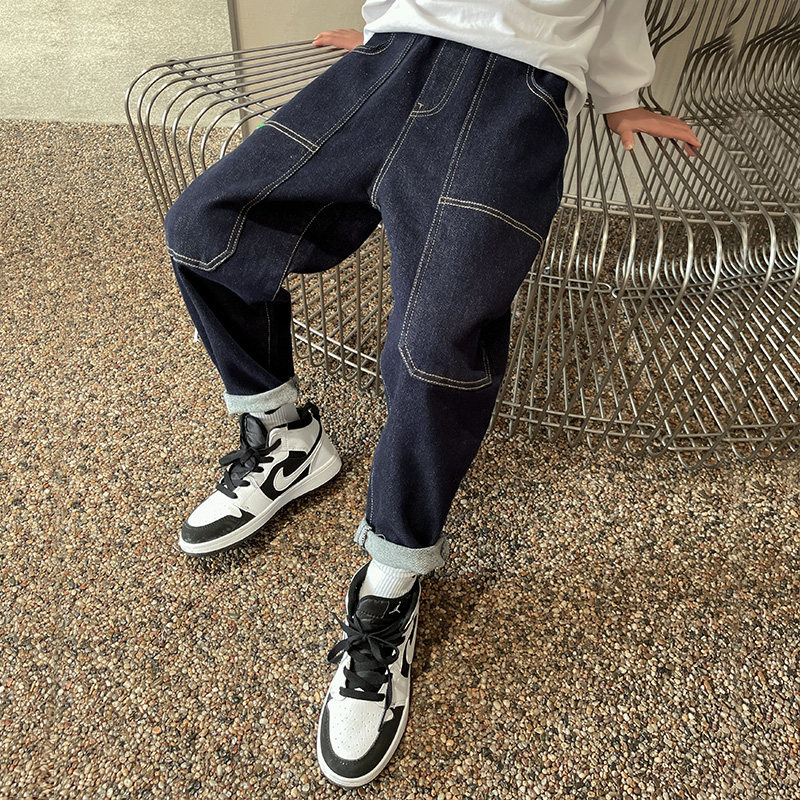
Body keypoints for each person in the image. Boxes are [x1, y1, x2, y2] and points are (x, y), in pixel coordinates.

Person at [163, 0, 701, 788]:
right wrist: (384, 23)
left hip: (518, 88)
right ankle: (284, 436)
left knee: (434, 347)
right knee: (205, 228)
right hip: (394, 56)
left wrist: (621, 95)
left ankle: (391, 583)